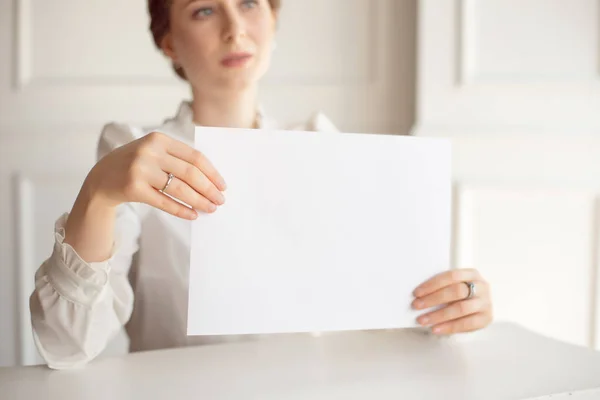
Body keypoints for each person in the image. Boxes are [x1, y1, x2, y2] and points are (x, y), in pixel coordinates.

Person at [29, 0, 494, 370]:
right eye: (203, 10)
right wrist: (98, 193)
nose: (235, 28)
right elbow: (67, 347)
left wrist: (453, 307)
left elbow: (381, 308)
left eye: (250, 2)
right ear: (168, 41)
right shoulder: (132, 153)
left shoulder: (320, 143)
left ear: (273, 18)